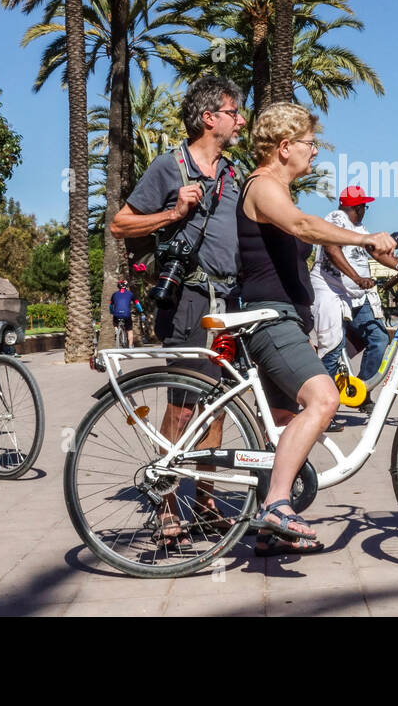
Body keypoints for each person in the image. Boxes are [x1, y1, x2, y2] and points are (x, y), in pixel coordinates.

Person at [237, 103, 395, 555]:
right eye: (309, 145)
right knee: (325, 399)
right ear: (284, 147)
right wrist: (364, 238)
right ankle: (277, 505)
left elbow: (311, 231)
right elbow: (303, 225)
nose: (314, 154)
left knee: (286, 423)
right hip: (271, 319)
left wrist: (384, 253)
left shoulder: (277, 191)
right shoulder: (263, 186)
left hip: (282, 317)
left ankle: (267, 532)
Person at [110, 76, 247, 547]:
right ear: (210, 118)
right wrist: (171, 214)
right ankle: (167, 501)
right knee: (184, 403)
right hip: (188, 298)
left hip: (229, 301)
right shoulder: (170, 168)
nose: (241, 121)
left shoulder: (234, 174)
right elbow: (120, 223)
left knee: (218, 405)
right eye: (234, 112)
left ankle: (205, 503)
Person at [308, 185, 398, 416]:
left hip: (357, 297)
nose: (365, 210)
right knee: (331, 350)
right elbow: (331, 247)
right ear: (357, 207)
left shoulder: (359, 228)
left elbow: (377, 253)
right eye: (364, 206)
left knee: (379, 337)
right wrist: (357, 278)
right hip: (331, 291)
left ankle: (359, 391)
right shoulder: (336, 218)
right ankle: (322, 409)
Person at [109, 280, 135, 344]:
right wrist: (141, 310)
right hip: (127, 314)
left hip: (117, 314)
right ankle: (130, 346)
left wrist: (112, 312)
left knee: (115, 321)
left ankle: (116, 329)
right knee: (129, 330)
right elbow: (137, 303)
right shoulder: (130, 294)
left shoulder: (114, 294)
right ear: (126, 286)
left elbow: (111, 305)